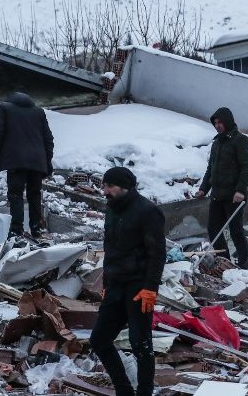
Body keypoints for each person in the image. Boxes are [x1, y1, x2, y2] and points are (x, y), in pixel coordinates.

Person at [90, 167, 165, 396]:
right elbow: (110, 249)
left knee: (140, 344)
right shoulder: (112, 209)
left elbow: (157, 253)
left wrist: (151, 288)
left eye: (109, 186)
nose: (105, 191)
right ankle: (124, 390)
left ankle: (144, 392)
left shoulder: (148, 211)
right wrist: (106, 284)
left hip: (138, 287)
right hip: (115, 284)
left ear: (125, 186)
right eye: (104, 186)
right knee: (99, 340)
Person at [194, 106, 248, 269]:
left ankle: (244, 267)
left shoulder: (241, 140)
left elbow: (247, 167)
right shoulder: (217, 143)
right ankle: (225, 262)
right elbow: (210, 169)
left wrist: (240, 190)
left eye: (220, 122)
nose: (218, 125)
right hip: (217, 195)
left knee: (236, 231)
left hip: (234, 196)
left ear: (228, 121)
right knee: (213, 230)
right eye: (215, 123)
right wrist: (203, 189)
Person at [0, 89, 54, 237]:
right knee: (35, 194)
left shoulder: (5, 108)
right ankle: (36, 228)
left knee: (15, 194)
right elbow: (48, 138)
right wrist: (47, 160)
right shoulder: (39, 112)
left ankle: (17, 228)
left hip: (16, 160)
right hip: (37, 160)